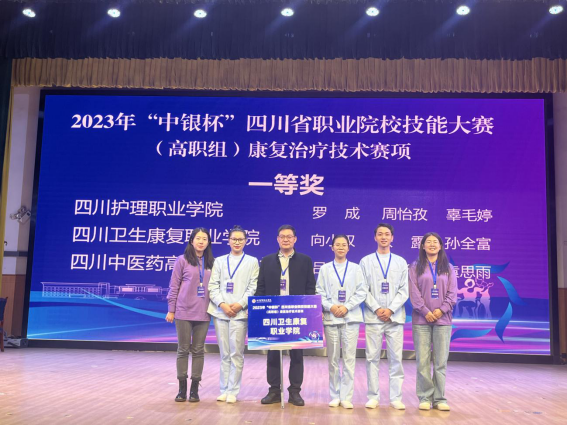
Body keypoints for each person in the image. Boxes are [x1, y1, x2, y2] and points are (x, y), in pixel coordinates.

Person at [256, 225, 316, 407]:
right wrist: (258, 310)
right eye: (282, 236)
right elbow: (261, 288)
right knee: (273, 354)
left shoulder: (305, 261)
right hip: (273, 313)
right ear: (277, 239)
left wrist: (310, 311)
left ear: (295, 239)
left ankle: (295, 392)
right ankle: (274, 390)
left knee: (297, 354)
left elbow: (310, 287)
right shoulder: (267, 261)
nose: (286, 239)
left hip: (296, 313)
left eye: (289, 236)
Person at [208, 226, 259, 404]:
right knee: (224, 353)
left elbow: (253, 287)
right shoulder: (219, 261)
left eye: (240, 239)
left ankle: (233, 391)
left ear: (246, 241)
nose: (237, 242)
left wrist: (239, 305)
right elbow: (213, 286)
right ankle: (224, 389)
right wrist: (222, 304)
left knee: (236, 353)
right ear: (228, 241)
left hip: (240, 313)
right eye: (234, 239)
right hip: (221, 312)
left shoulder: (252, 261)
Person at [361, 224, 409, 411]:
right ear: (375, 237)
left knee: (396, 359)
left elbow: (404, 291)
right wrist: (377, 308)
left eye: (387, 234)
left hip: (394, 318)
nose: (383, 237)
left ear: (392, 238)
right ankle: (373, 396)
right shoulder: (366, 261)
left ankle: (396, 398)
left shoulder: (400, 262)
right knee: (371, 358)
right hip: (373, 317)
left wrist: (390, 309)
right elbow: (362, 289)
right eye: (380, 234)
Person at [316, 235, 366, 409]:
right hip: (331, 318)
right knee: (333, 358)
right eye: (337, 245)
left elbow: (362, 291)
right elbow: (319, 291)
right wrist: (331, 306)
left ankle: (346, 396)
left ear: (348, 248)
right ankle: (334, 394)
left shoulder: (356, 268)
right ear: (332, 248)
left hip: (350, 317)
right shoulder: (325, 269)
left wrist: (347, 307)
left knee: (349, 358)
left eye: (344, 245)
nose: (341, 247)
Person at [409, 232, 457, 412]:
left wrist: (440, 310)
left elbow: (452, 294)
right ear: (422, 246)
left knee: (440, 362)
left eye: (435, 242)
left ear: (441, 246)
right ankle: (424, 397)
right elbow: (413, 293)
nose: (431, 244)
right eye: (428, 242)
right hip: (421, 320)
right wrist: (426, 311)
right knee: (422, 361)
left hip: (443, 320)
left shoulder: (448, 267)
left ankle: (439, 399)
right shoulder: (415, 266)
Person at [166, 228, 215, 403]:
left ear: (208, 242)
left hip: (204, 311)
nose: (201, 241)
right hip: (183, 311)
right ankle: (182, 389)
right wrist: (171, 309)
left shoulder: (212, 263)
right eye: (198, 238)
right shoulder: (182, 260)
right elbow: (174, 285)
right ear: (191, 241)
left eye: (204, 239)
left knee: (198, 350)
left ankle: (194, 389)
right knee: (183, 349)